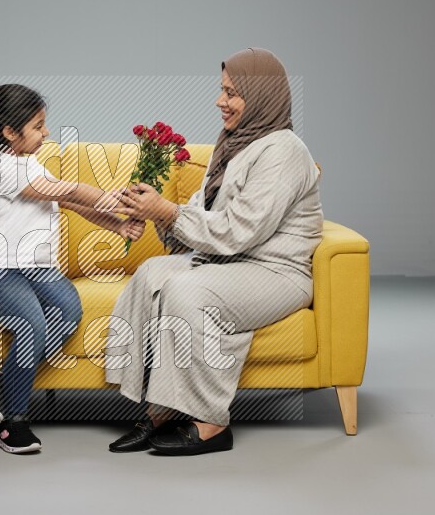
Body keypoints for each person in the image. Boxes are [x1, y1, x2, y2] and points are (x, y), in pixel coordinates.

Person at [105, 48, 324, 456]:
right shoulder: (234, 143)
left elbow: (242, 230)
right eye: (221, 90)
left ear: (261, 97)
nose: (220, 101)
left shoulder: (284, 150)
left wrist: (168, 211)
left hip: (276, 272)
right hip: (232, 261)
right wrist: (158, 212)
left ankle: (211, 422)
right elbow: (201, 212)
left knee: (190, 292)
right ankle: (162, 406)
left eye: (232, 93)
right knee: (153, 272)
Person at [0, 84, 145, 454]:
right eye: (38, 126)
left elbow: (70, 202)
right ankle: (12, 422)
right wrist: (118, 200)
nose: (46, 133)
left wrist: (117, 225)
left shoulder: (29, 162)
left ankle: (0, 382)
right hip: (1, 270)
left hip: (38, 268)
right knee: (32, 325)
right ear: (10, 132)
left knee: (69, 310)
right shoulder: (2, 167)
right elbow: (69, 189)